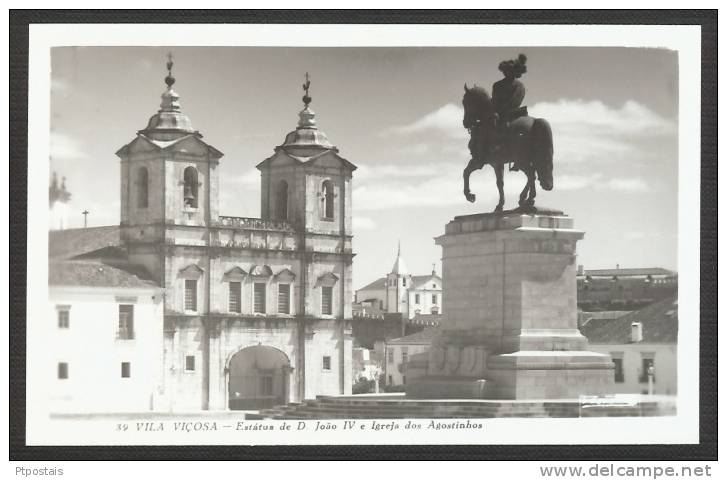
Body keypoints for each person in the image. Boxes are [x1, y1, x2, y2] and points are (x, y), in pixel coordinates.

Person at [491, 53, 528, 127]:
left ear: (516, 72)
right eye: (506, 70)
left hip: (511, 114)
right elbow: (494, 100)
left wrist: (499, 112)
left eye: (511, 70)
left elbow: (514, 101)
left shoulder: (519, 86)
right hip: (496, 113)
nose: (508, 72)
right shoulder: (497, 85)